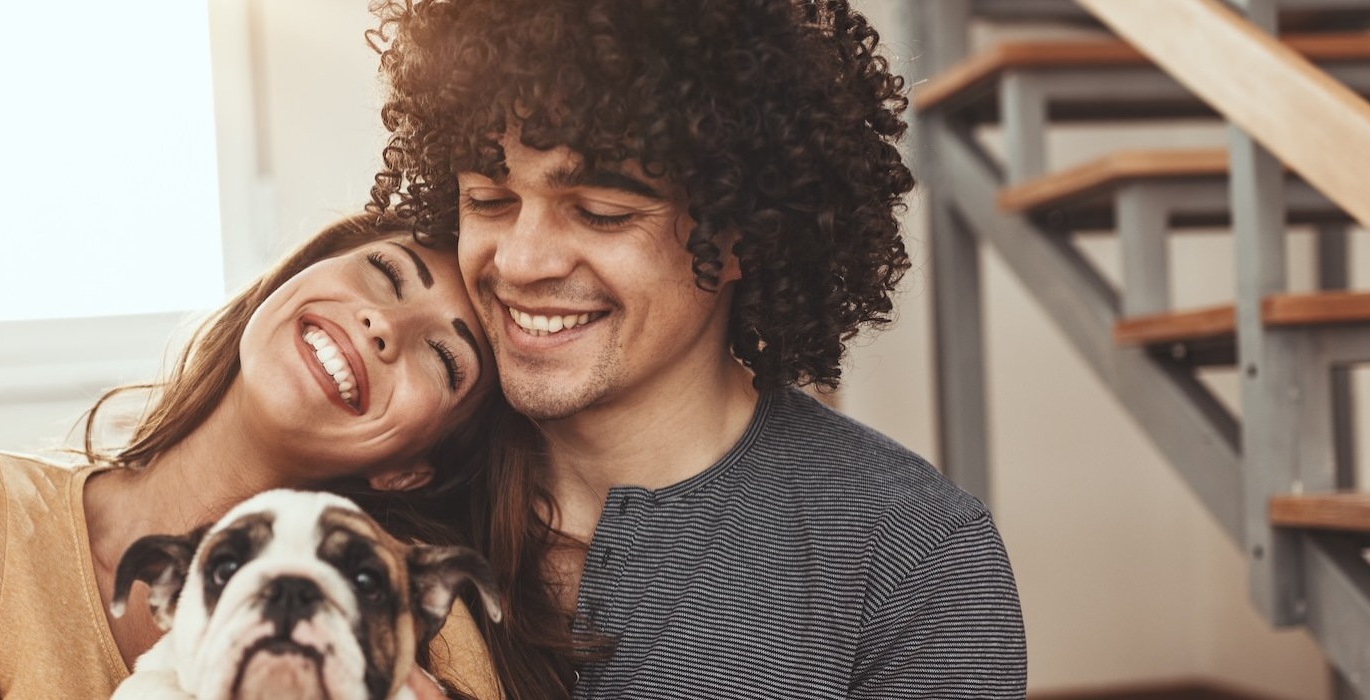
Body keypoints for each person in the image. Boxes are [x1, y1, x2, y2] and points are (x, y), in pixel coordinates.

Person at [367, 0, 1028, 697]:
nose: (523, 262)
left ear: (741, 230)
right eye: (490, 201)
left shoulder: (913, 558)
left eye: (600, 213)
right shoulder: (389, 493)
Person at [0, 214, 505, 699]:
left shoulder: (415, 613)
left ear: (412, 468)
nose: (384, 326)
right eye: (385, 273)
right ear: (299, 274)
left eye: (444, 358)